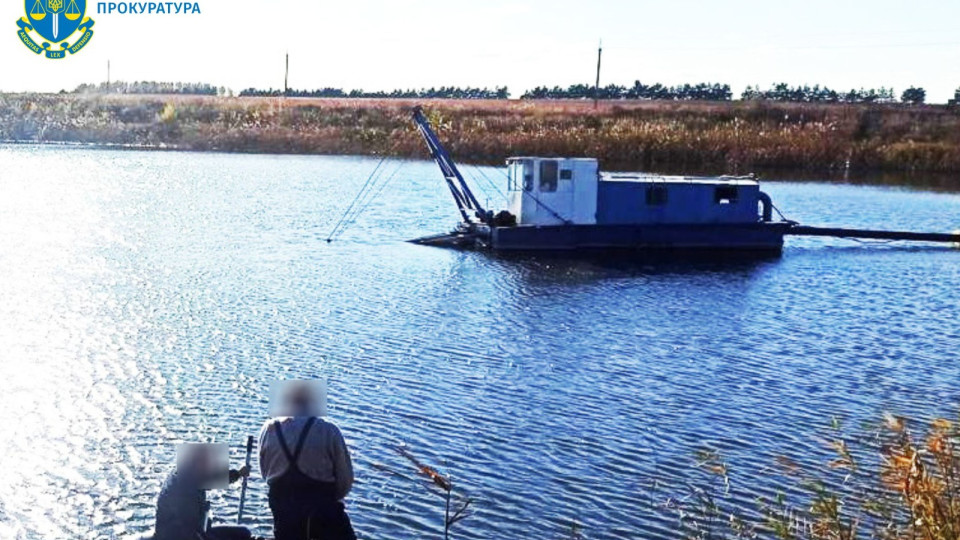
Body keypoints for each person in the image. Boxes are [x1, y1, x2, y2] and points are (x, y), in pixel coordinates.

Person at [259, 382, 356, 540]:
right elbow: (345, 480)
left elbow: (265, 473)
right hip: (322, 508)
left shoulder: (269, 430)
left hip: (283, 508)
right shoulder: (329, 431)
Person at [154, 444, 252, 540]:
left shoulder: (190, 474)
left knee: (244, 532)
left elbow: (214, 478)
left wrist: (238, 473)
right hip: (176, 535)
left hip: (197, 530)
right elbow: (189, 531)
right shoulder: (184, 492)